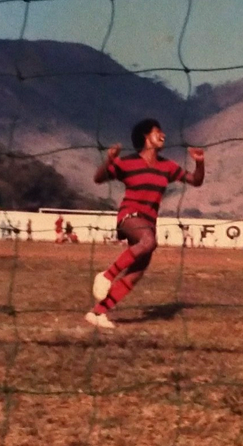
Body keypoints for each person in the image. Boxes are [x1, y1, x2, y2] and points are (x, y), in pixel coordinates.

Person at [86, 118, 205, 329]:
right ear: (145, 136)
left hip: (149, 222)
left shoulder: (167, 166)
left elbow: (195, 181)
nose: (163, 135)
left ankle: (98, 312)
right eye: (158, 131)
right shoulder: (127, 162)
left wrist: (199, 162)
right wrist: (110, 160)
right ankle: (106, 275)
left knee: (137, 271)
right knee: (149, 241)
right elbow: (98, 178)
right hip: (129, 216)